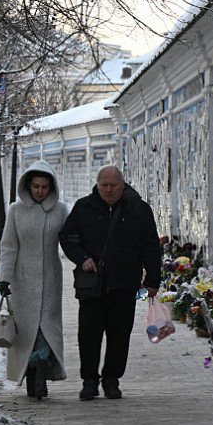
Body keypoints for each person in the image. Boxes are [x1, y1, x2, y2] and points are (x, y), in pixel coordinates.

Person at [59, 165, 162, 400]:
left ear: (122, 185)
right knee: (88, 335)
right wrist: (82, 258)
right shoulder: (84, 207)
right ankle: (89, 381)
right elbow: (67, 237)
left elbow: (151, 247)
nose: (108, 189)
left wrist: (153, 279)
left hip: (124, 284)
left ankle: (112, 379)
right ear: (97, 184)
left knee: (119, 335)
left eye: (113, 185)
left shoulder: (138, 210)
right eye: (103, 185)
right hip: (91, 285)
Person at [0, 161, 69, 400]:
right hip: (22, 281)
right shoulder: (16, 211)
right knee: (27, 330)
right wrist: (4, 278)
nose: (40, 191)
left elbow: (71, 241)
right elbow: (8, 246)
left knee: (45, 328)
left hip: (51, 279)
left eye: (45, 187)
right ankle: (30, 374)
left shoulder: (60, 211)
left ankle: (40, 375)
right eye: (36, 186)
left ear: (52, 187)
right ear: (28, 185)